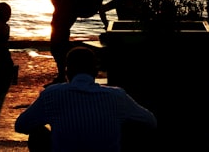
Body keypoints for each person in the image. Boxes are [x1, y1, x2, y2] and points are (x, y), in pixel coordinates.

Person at [15, 45, 157, 152]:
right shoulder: (117, 96)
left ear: (67, 72)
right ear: (95, 72)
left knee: (37, 133)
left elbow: (20, 125)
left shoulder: (52, 94)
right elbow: (151, 121)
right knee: (133, 124)